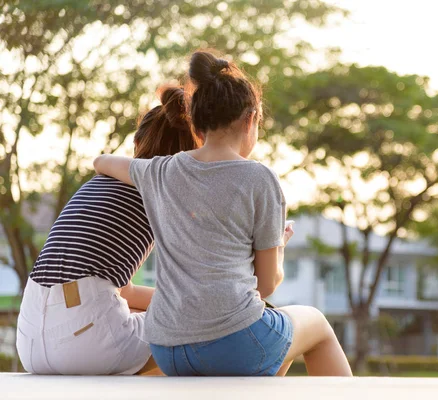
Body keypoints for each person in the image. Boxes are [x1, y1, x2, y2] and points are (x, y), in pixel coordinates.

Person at [92, 50, 353, 377]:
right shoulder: (260, 178)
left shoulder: (160, 171)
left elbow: (101, 161)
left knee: (275, 344)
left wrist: (133, 167)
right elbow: (267, 285)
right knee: (316, 325)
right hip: (233, 342)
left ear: (197, 124)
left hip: (167, 348)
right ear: (250, 119)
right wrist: (280, 247)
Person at [16, 85, 202, 375]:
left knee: (155, 316)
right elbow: (190, 293)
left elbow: (122, 291)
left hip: (29, 341)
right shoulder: (165, 192)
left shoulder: (98, 184)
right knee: (197, 327)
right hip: (87, 340)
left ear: (137, 141)